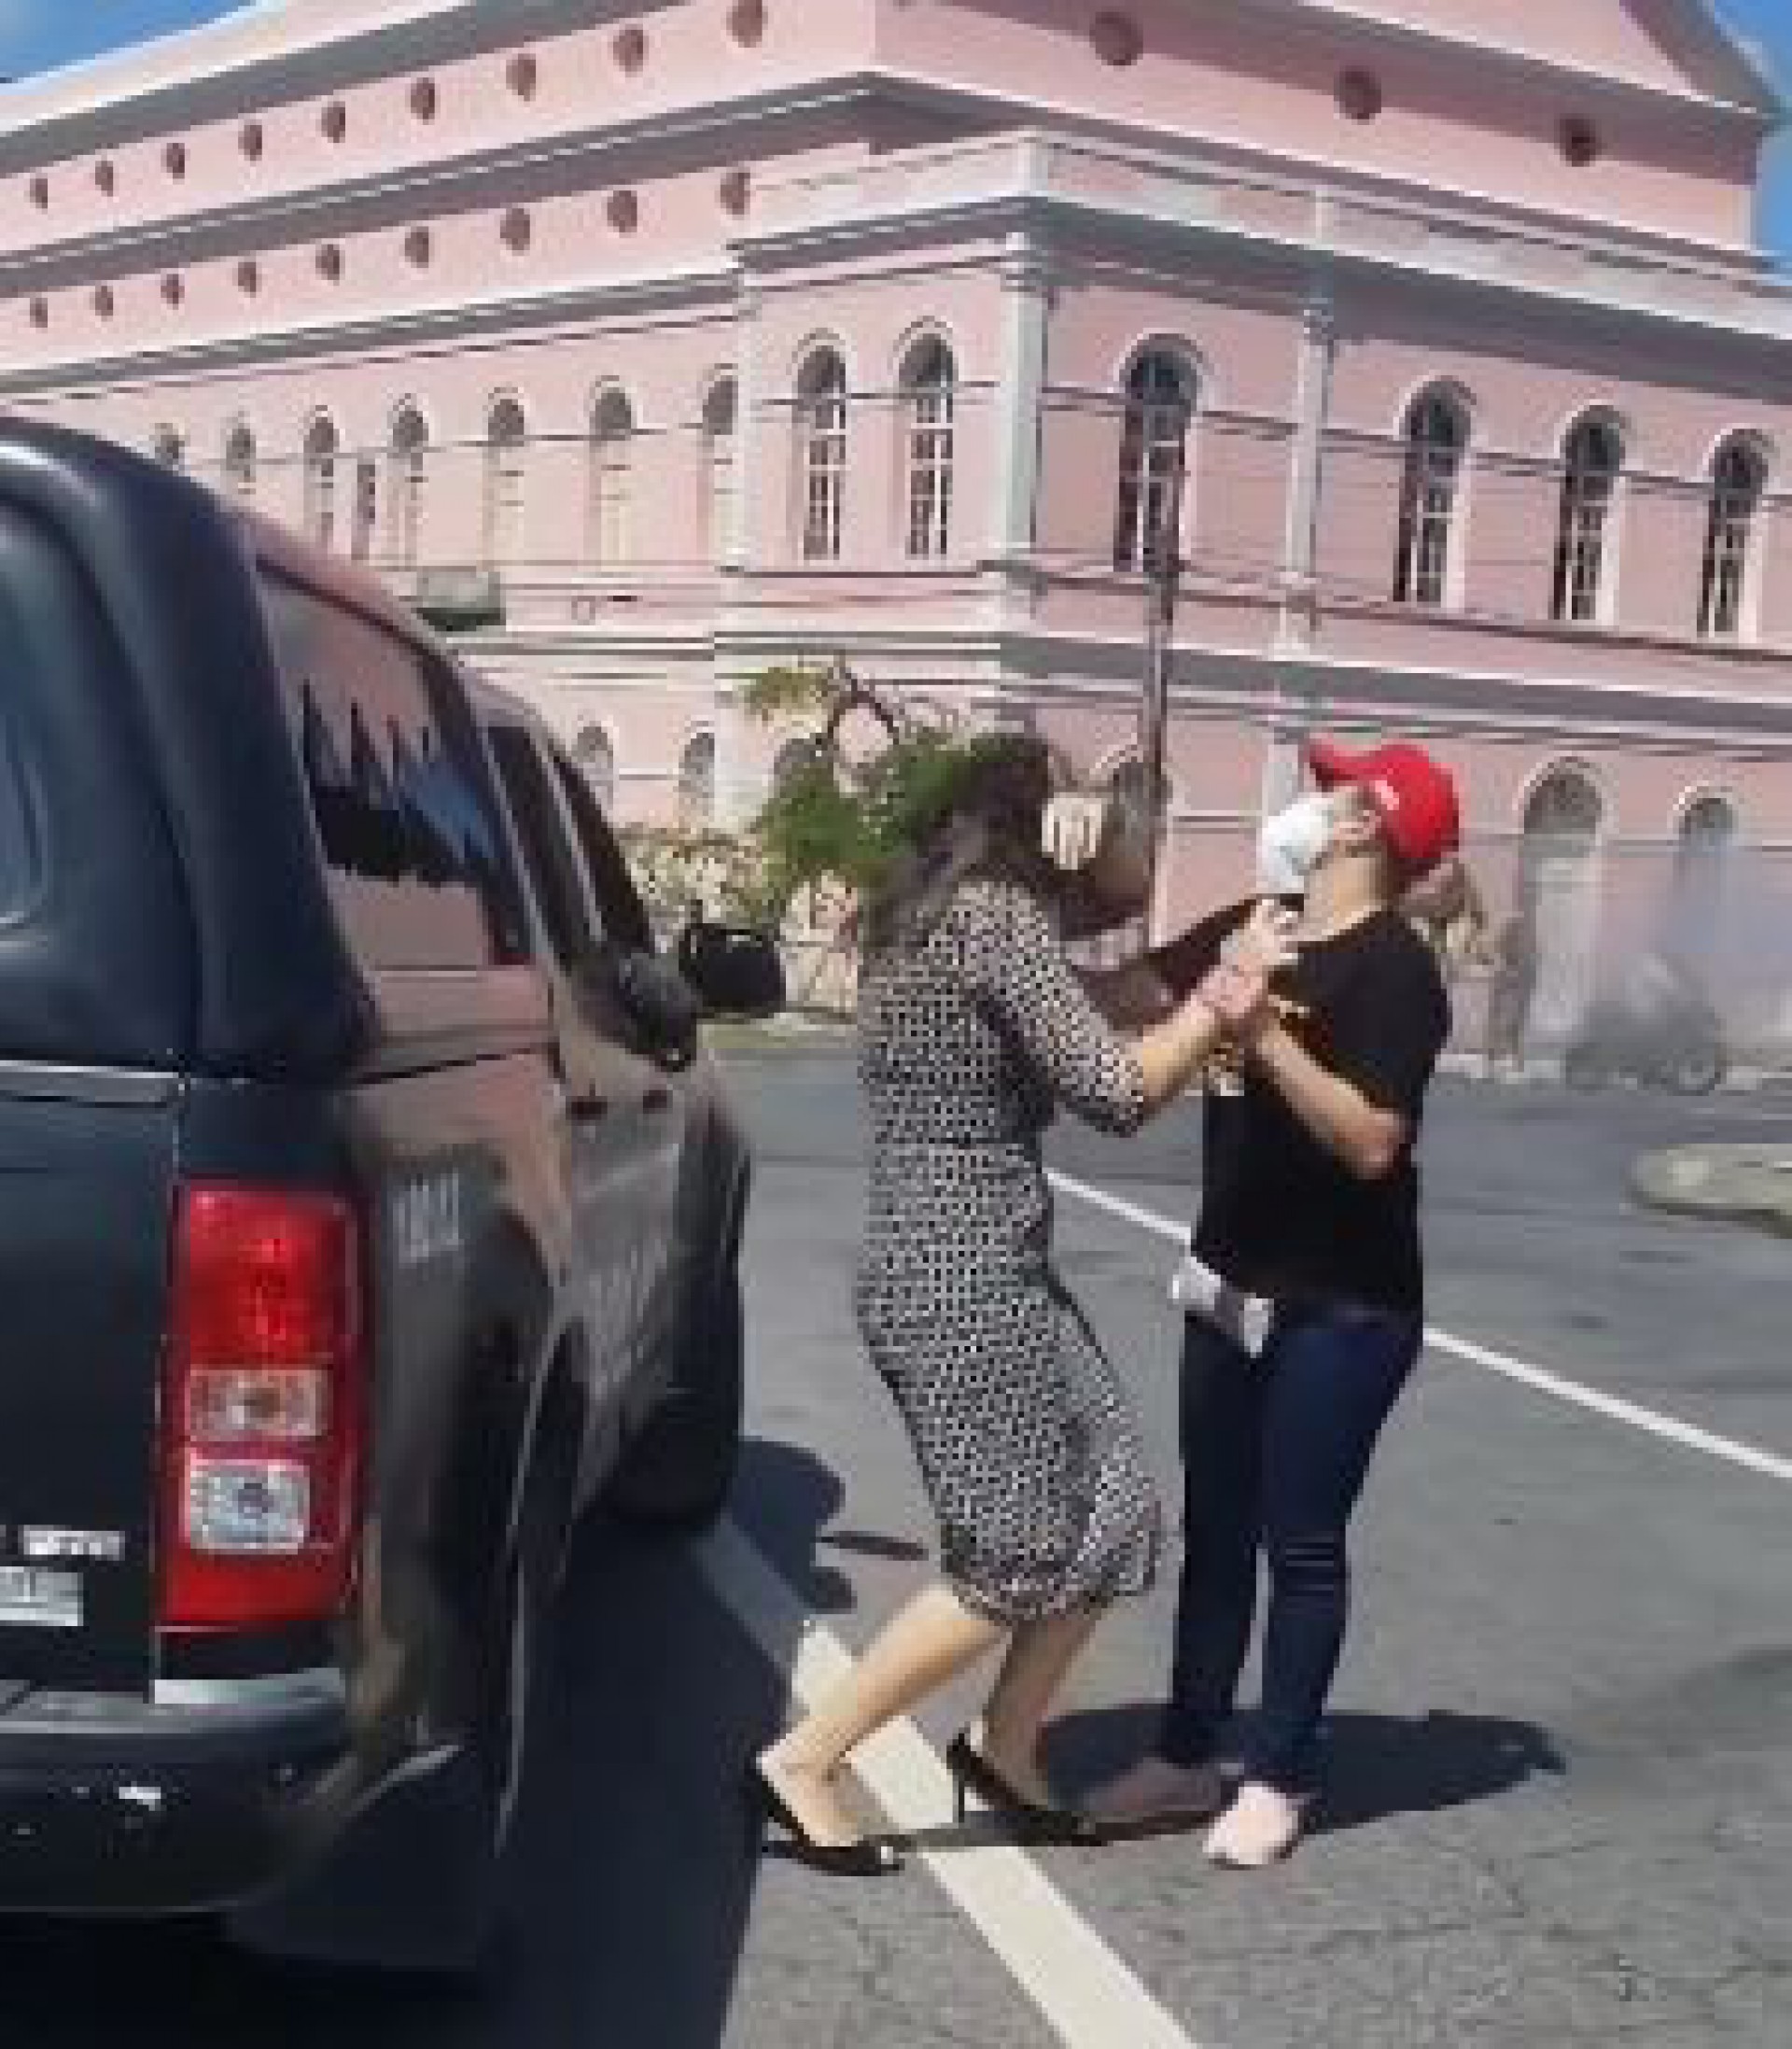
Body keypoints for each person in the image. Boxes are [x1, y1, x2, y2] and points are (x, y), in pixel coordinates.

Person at [752, 736, 1292, 1874]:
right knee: (1014, 1553)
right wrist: (1229, 992)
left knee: (1118, 1513)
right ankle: (806, 1758)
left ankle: (1005, 1743)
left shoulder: (950, 912)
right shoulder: (992, 917)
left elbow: (1104, 979)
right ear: (1041, 820)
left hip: (983, 1261)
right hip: (960, 1275)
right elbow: (1116, 1088)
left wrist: (1185, 922)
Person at [1088, 736, 1460, 1869]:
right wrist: (1039, 887)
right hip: (1226, 1282)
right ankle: (1186, 1750)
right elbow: (1120, 995)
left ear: (1365, 826)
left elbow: (1373, 1140)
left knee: (1300, 1544)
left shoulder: (1395, 970)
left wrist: (1258, 1032)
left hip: (1341, 1307)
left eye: (1326, 789)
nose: (1303, 802)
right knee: (1215, 1532)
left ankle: (1281, 1771)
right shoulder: (1258, 922)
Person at [1485, 895, 1539, 1077]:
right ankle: (1494, 1057)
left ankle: (1514, 1058)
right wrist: (1506, 968)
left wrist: (1528, 978)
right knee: (1499, 1017)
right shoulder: (1512, 925)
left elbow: (1534, 956)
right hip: (1508, 976)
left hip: (1521, 980)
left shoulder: (1530, 929)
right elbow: (1497, 948)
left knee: (1517, 1020)